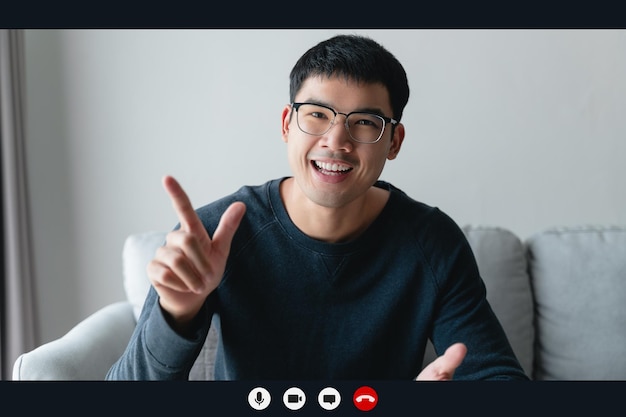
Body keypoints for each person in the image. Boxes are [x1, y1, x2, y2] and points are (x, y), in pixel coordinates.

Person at [106, 34, 528, 381]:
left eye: (365, 122)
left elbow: (498, 377)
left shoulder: (432, 241)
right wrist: (176, 314)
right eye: (317, 115)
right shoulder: (217, 235)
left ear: (394, 142)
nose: (336, 140)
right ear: (287, 124)